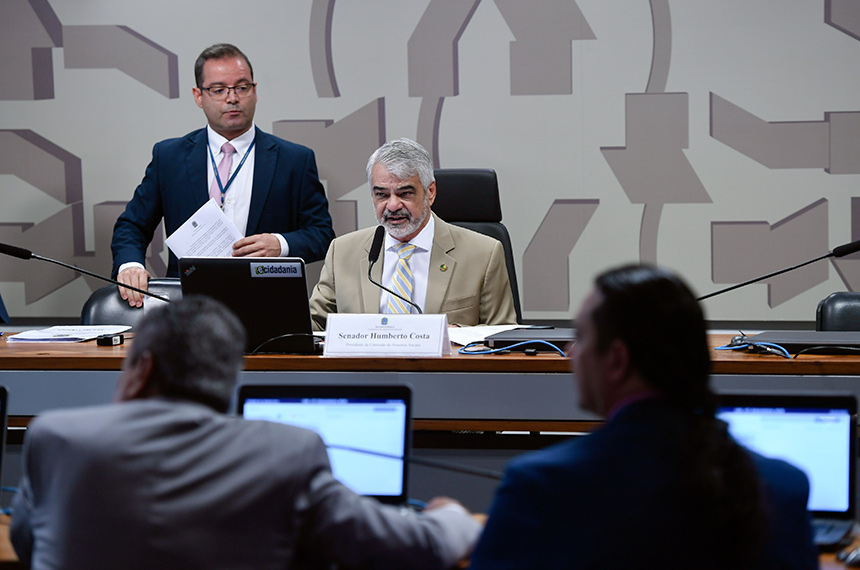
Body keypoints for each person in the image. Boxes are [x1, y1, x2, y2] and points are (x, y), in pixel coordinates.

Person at [10, 296, 481, 570]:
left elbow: (29, 541)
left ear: (142, 368)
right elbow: (403, 549)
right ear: (227, 378)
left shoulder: (56, 438)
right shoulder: (286, 452)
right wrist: (452, 517)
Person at [469, 265, 818, 570]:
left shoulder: (540, 488)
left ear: (617, 359)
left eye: (580, 337)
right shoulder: (783, 487)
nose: (571, 353)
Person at [111, 43, 334, 307]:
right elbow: (132, 226)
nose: (232, 98)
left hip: (268, 302)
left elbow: (322, 234)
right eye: (218, 90)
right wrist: (130, 264)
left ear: (255, 91)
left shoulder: (294, 159)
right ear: (198, 96)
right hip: (188, 304)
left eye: (242, 87)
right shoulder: (169, 157)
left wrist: (280, 244)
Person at [308, 138, 516, 329]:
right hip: (364, 370)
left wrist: (455, 337)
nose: (392, 205)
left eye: (404, 193)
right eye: (381, 194)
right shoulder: (342, 252)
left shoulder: (483, 254)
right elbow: (313, 326)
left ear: (430, 192)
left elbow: (501, 336)